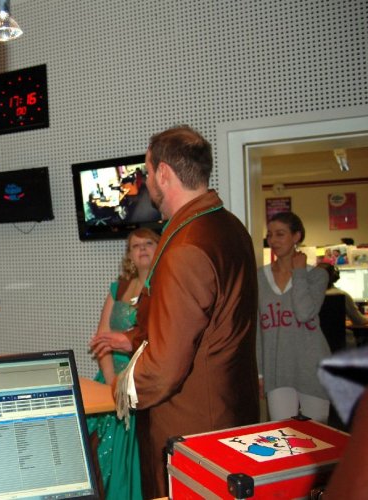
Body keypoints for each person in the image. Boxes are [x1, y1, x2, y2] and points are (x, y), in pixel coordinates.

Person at [115, 125, 260, 499]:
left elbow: (165, 370)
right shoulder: (231, 227)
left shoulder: (186, 246)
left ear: (164, 173)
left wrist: (123, 388)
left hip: (194, 432)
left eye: (148, 172)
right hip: (232, 418)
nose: (147, 182)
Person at [87, 227, 159, 500]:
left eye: (148, 243)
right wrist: (111, 383)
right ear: (129, 254)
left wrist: (124, 386)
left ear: (160, 247)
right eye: (135, 246)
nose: (142, 249)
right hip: (110, 380)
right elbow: (101, 339)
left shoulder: (164, 286)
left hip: (142, 381)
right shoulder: (118, 287)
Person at [257, 212, 331, 423]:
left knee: (317, 435)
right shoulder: (259, 277)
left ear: (296, 236)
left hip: (311, 367)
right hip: (276, 369)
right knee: (282, 434)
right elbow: (257, 330)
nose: (273, 240)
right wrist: (259, 373)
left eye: (280, 234)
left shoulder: (316, 275)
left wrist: (299, 273)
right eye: (270, 235)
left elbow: (304, 313)